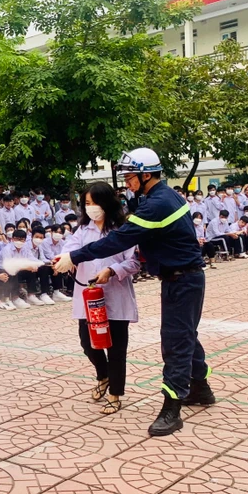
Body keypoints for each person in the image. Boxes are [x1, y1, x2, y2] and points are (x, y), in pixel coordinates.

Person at [55, 147, 215, 436]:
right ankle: (201, 388)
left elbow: (118, 241)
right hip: (178, 278)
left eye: (130, 177)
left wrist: (76, 257)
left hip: (184, 280)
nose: (126, 183)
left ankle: (172, 408)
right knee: (185, 335)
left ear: (146, 174)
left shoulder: (158, 204)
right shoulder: (156, 197)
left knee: (175, 342)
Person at [61, 182, 140, 414]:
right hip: (89, 297)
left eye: (95, 203)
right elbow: (69, 251)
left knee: (115, 348)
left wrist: (112, 270)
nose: (91, 208)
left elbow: (133, 262)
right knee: (88, 343)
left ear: (107, 203)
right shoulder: (82, 231)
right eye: (87, 203)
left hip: (115, 296)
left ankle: (115, 393)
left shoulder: (122, 230)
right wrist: (63, 260)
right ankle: (103, 376)